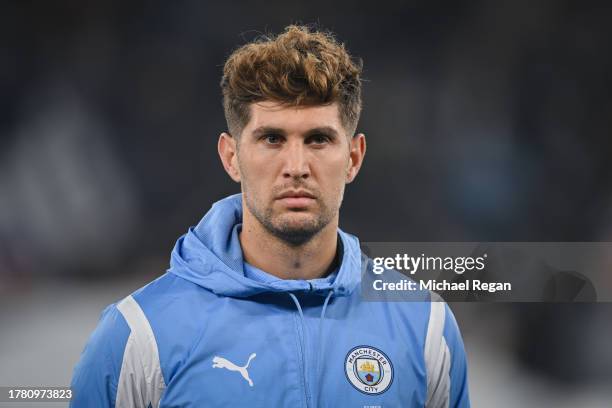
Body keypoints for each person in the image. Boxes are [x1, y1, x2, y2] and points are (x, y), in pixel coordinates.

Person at [70, 24, 470, 407]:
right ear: (232, 157)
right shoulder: (141, 334)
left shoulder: (424, 327)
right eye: (272, 139)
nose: (296, 166)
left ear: (353, 158)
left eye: (318, 139)